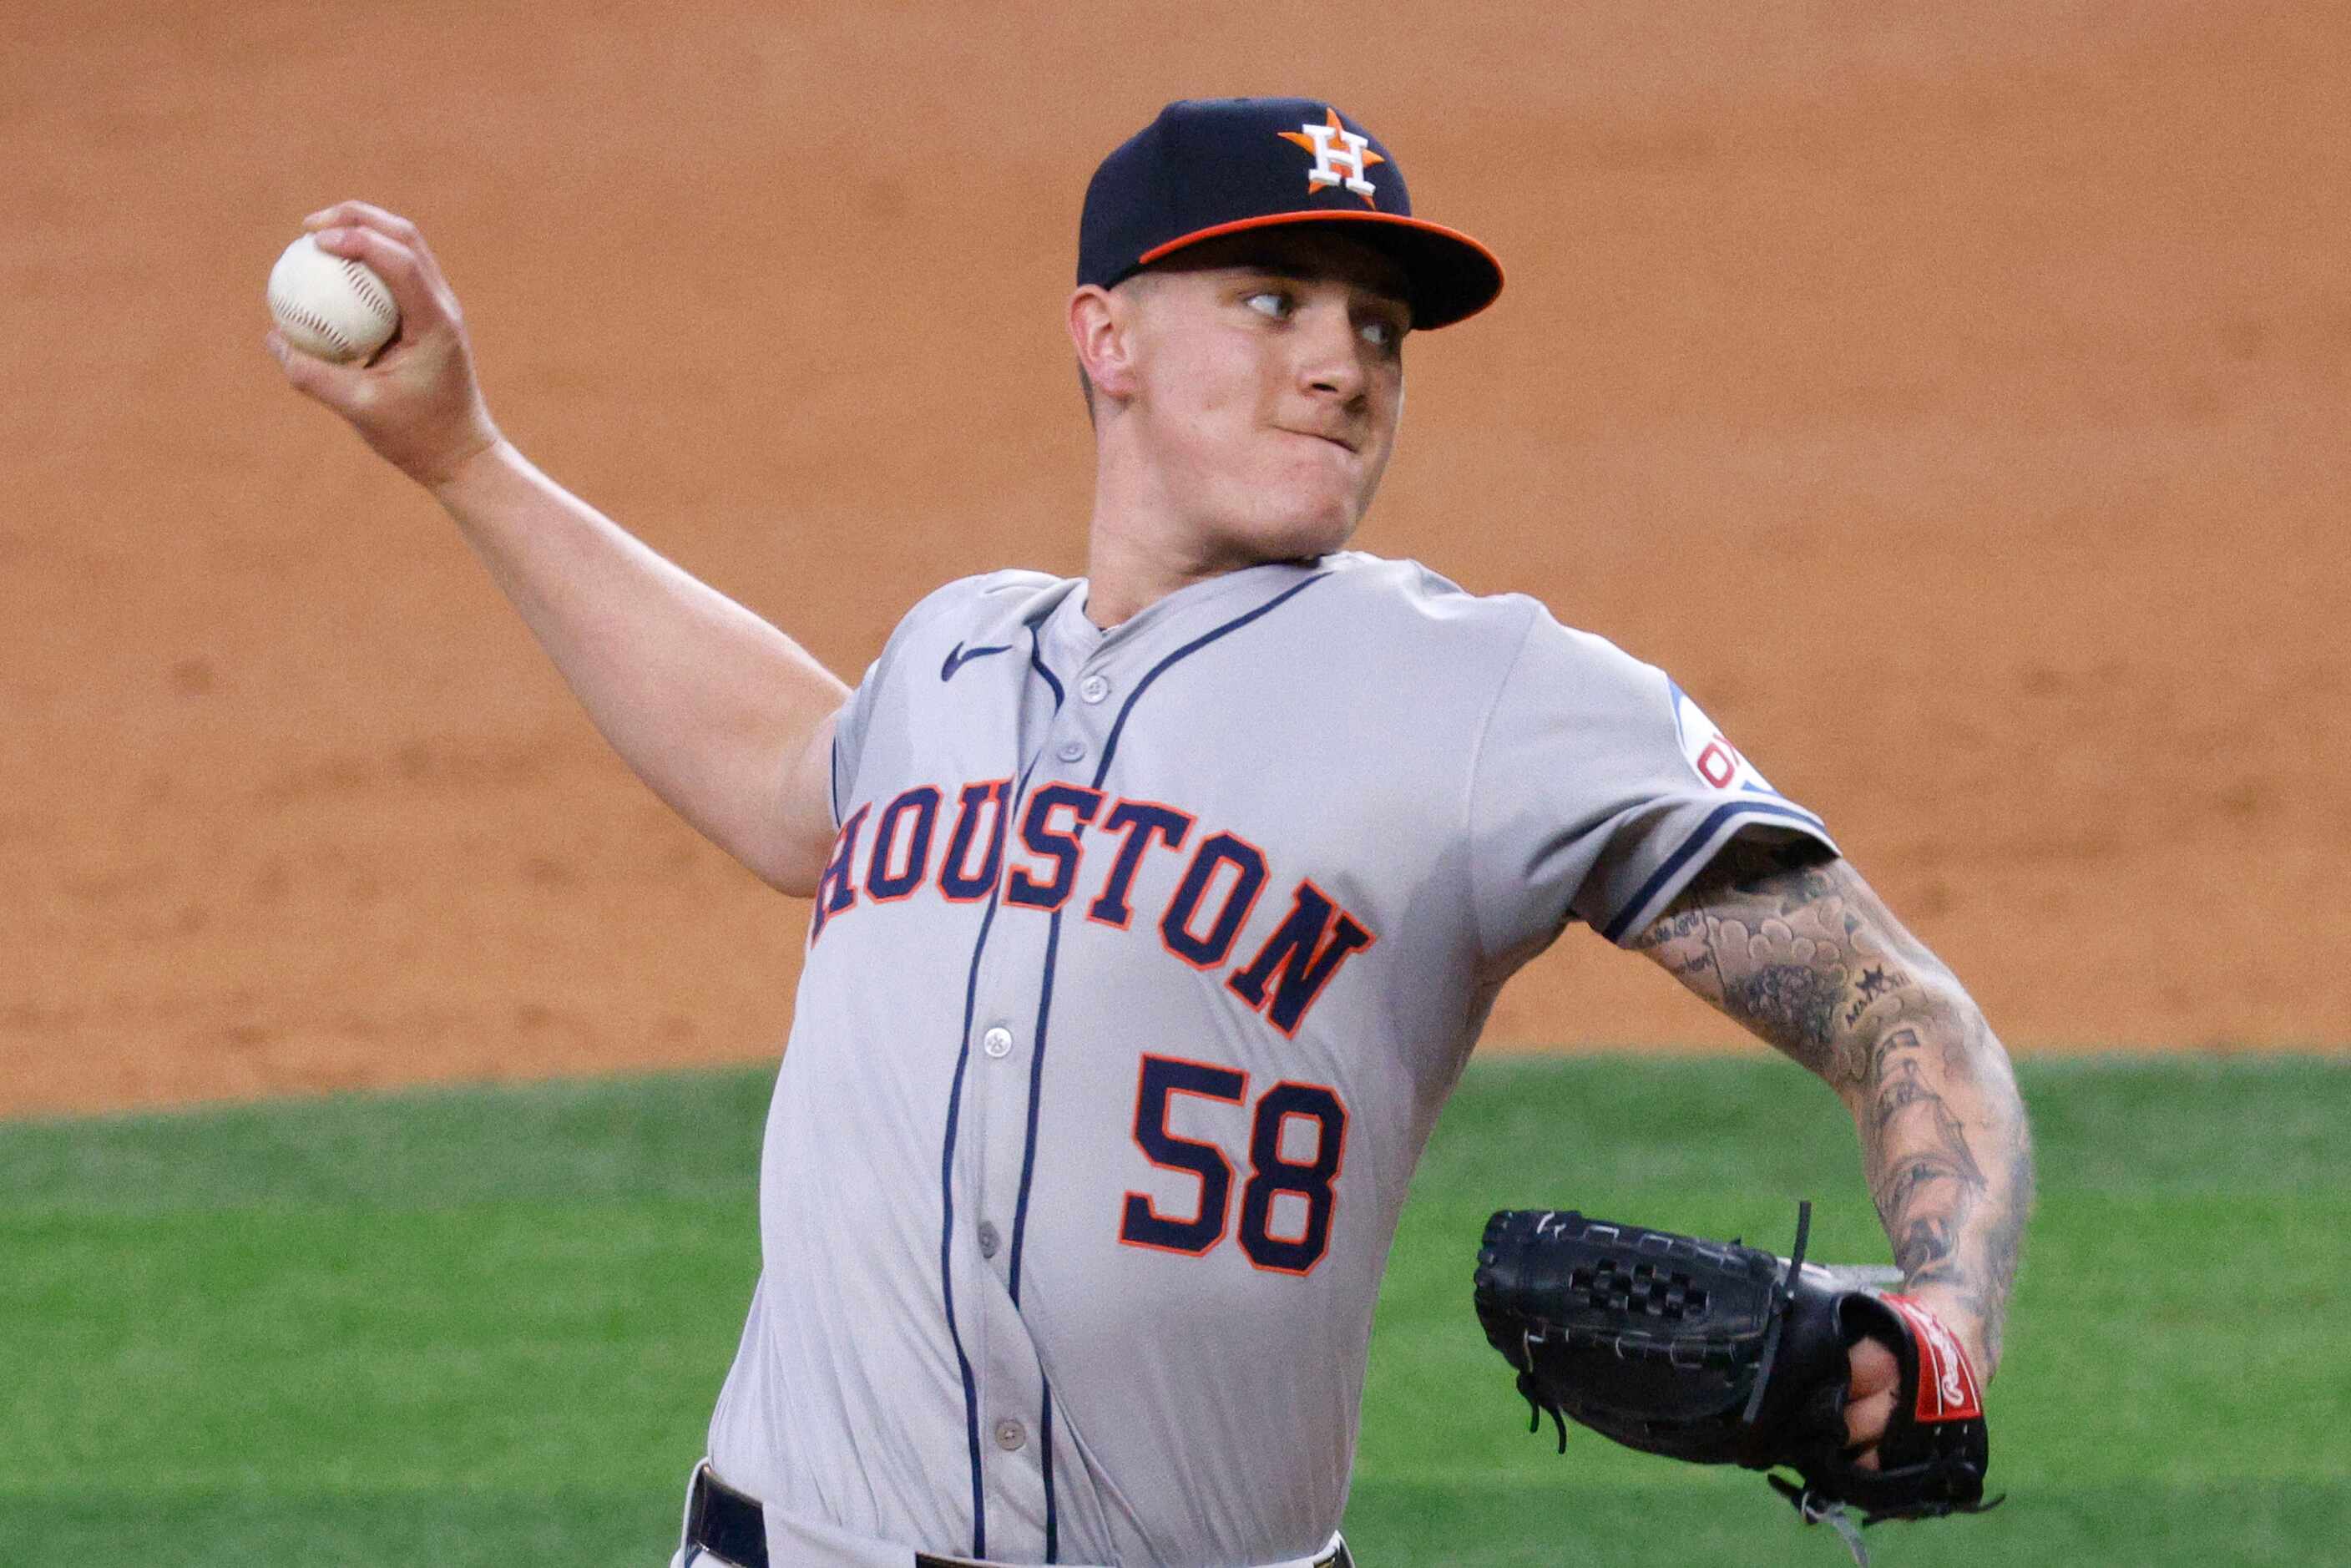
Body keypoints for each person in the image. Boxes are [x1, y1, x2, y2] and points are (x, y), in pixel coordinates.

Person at [271, 97, 2032, 1568]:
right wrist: (464, 458)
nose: (1342, 364)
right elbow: (791, 775)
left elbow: (1894, 1007)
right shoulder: (954, 652)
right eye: (1274, 301)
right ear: (1103, 335)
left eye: (1379, 330)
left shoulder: (1493, 689)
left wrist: (1944, 1319)